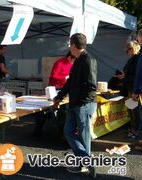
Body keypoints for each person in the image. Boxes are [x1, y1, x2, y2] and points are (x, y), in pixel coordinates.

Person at [53, 33, 97, 178]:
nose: (69, 47)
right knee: (68, 131)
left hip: (83, 104)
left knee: (84, 137)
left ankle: (83, 164)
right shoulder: (78, 60)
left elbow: (91, 86)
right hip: (75, 104)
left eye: (69, 44)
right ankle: (86, 161)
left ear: (73, 45)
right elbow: (70, 83)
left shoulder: (88, 60)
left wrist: (80, 101)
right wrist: (59, 96)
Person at [116, 41, 140, 138]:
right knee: (131, 110)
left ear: (132, 48)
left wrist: (124, 77)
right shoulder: (133, 59)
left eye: (128, 50)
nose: (127, 52)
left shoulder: (137, 59)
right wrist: (123, 75)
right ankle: (133, 128)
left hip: (134, 89)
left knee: (135, 110)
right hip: (130, 88)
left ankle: (136, 131)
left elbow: (136, 76)